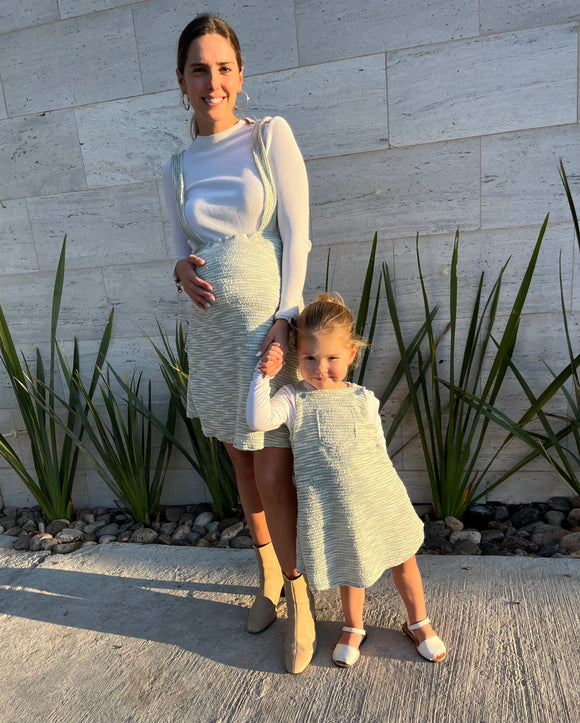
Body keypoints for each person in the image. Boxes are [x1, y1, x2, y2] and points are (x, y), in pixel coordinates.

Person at [163, 14, 315, 674]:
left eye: (223, 67)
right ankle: (268, 576)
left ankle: (300, 593)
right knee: (241, 465)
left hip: (266, 335)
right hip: (213, 337)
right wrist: (179, 271)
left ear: (240, 75)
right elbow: (180, 251)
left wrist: (287, 317)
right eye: (199, 69)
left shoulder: (269, 135)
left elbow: (298, 234)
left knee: (275, 469)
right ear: (181, 80)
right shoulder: (175, 167)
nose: (212, 81)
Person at [247, 293, 447, 668]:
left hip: (379, 497)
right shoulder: (293, 398)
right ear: (296, 355)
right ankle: (354, 626)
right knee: (350, 567)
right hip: (336, 506)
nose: (321, 369)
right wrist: (264, 375)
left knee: (403, 560)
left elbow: (378, 449)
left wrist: (389, 494)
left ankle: (418, 621)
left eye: (332, 358)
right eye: (309, 358)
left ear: (352, 354)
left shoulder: (363, 398)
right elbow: (258, 420)